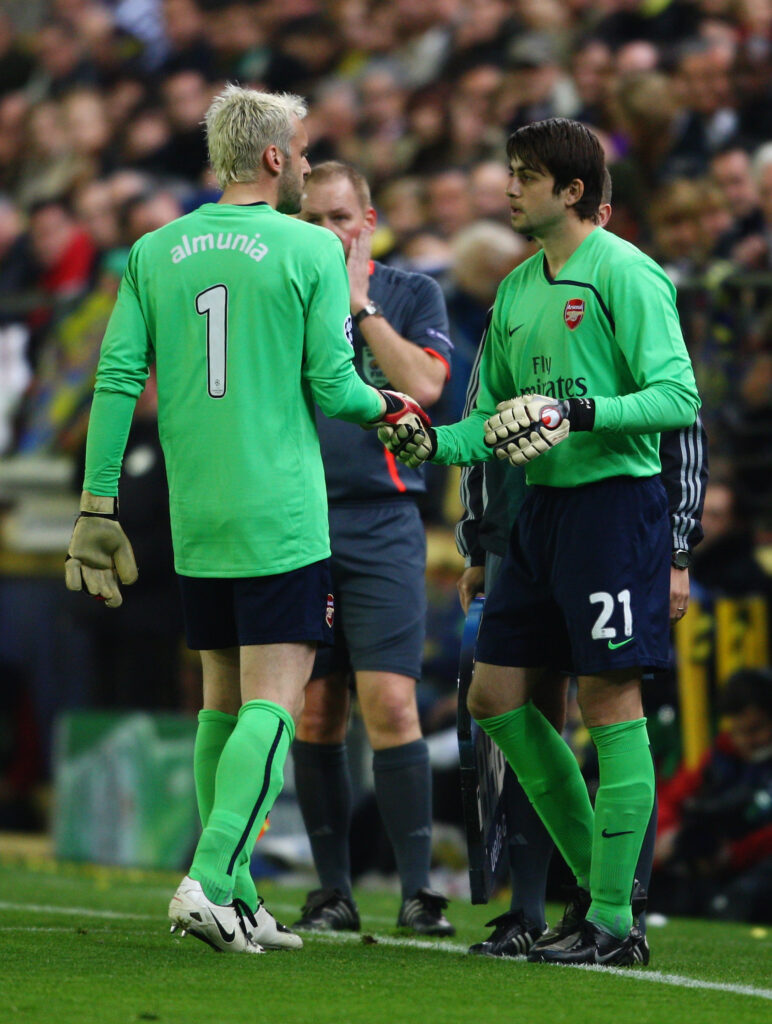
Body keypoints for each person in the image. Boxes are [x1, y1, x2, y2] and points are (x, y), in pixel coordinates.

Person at [63, 84, 426, 955]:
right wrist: (397, 408)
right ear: (273, 158)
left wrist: (96, 505)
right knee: (275, 698)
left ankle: (246, 897)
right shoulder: (308, 247)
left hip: (199, 511)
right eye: (299, 151)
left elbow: (116, 382)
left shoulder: (155, 248)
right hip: (280, 510)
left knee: (220, 703)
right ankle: (211, 875)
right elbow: (336, 390)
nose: (304, 163)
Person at [379, 117, 701, 966]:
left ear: (572, 191)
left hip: (612, 507)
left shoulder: (627, 274)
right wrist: (430, 440)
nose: (508, 188)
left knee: (608, 703)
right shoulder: (517, 290)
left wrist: (582, 411)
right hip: (538, 519)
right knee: (493, 698)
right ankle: (598, 900)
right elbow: (490, 420)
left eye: (523, 175)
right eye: (509, 172)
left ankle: (610, 919)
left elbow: (678, 397)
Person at [292, 161, 455, 936]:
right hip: (297, 517)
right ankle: (332, 889)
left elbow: (424, 387)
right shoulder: (280, 296)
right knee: (317, 711)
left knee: (391, 704)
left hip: (385, 519)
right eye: (313, 218)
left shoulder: (409, 293)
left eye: (341, 218)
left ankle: (418, 889)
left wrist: (359, 311)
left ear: (370, 219)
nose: (328, 232)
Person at [652, 667, 772, 923]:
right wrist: (666, 835)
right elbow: (675, 797)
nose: (746, 741)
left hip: (751, 865)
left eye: (756, 729)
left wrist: (732, 854)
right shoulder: (722, 752)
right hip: (716, 861)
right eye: (738, 731)